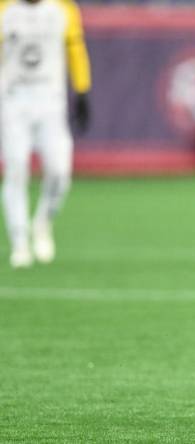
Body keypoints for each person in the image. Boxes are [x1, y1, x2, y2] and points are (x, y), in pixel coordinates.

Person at [0, 0, 91, 268]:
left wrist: (83, 89)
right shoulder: (5, 9)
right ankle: (19, 241)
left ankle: (42, 222)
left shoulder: (63, 9)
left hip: (51, 103)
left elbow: (76, 49)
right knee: (16, 170)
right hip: (14, 102)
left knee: (59, 173)